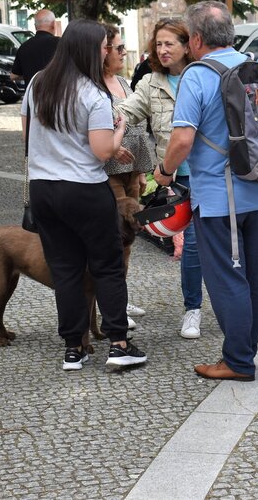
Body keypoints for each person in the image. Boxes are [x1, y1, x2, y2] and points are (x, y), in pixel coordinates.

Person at [155, 0, 258, 381]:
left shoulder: (197, 76)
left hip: (218, 197)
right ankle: (246, 351)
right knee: (255, 277)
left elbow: (183, 139)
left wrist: (165, 172)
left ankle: (238, 361)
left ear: (196, 39)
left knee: (227, 278)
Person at [21, 18, 146, 371]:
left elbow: (27, 138)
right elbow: (103, 151)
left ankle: (73, 349)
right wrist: (120, 128)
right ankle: (119, 344)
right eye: (104, 48)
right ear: (89, 50)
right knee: (107, 267)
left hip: (44, 190)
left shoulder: (38, 83)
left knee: (65, 269)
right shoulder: (92, 93)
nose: (107, 53)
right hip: (85, 190)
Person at [117, 18, 204, 339]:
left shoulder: (204, 75)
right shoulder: (151, 83)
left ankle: (222, 305)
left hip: (212, 174)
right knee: (191, 243)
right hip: (178, 179)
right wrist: (99, 128)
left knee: (211, 243)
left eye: (170, 43)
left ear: (187, 45)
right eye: (158, 44)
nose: (163, 50)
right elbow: (125, 113)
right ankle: (193, 309)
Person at [102, 23, 155, 323]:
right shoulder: (92, 86)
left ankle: (120, 295)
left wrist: (141, 171)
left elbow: (137, 128)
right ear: (103, 51)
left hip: (131, 170)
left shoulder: (123, 82)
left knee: (128, 238)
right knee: (112, 237)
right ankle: (111, 302)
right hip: (108, 170)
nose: (124, 52)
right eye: (119, 48)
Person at [11, 9, 59, 83]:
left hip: (33, 89)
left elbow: (13, 76)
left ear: (35, 26)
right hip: (57, 89)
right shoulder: (61, 44)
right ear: (53, 24)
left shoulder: (24, 46)